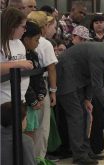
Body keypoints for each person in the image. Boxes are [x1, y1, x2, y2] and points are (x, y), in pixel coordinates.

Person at [56, 39, 104, 164]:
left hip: (78, 79)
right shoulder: (101, 55)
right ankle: (80, 156)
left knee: (85, 115)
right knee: (76, 117)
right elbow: (98, 86)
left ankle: (85, 151)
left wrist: (87, 99)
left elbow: (94, 79)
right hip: (66, 78)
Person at [27, 11, 58, 159]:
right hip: (40, 87)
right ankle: (38, 158)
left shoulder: (22, 42)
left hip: (26, 89)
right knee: (41, 127)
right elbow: (51, 68)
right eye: (47, 24)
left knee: (28, 125)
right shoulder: (45, 43)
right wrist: (53, 91)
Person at [21, 21, 47, 140]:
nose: (38, 43)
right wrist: (32, 100)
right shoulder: (20, 56)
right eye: (36, 40)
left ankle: (31, 158)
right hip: (25, 102)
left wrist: (41, 95)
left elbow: (38, 77)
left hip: (35, 101)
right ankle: (26, 158)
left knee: (32, 131)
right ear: (26, 39)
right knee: (26, 134)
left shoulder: (34, 55)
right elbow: (23, 80)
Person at [1, 7, 32, 103]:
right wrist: (20, 64)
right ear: (12, 26)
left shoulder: (19, 42)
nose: (25, 30)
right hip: (4, 100)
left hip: (20, 98)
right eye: (23, 27)